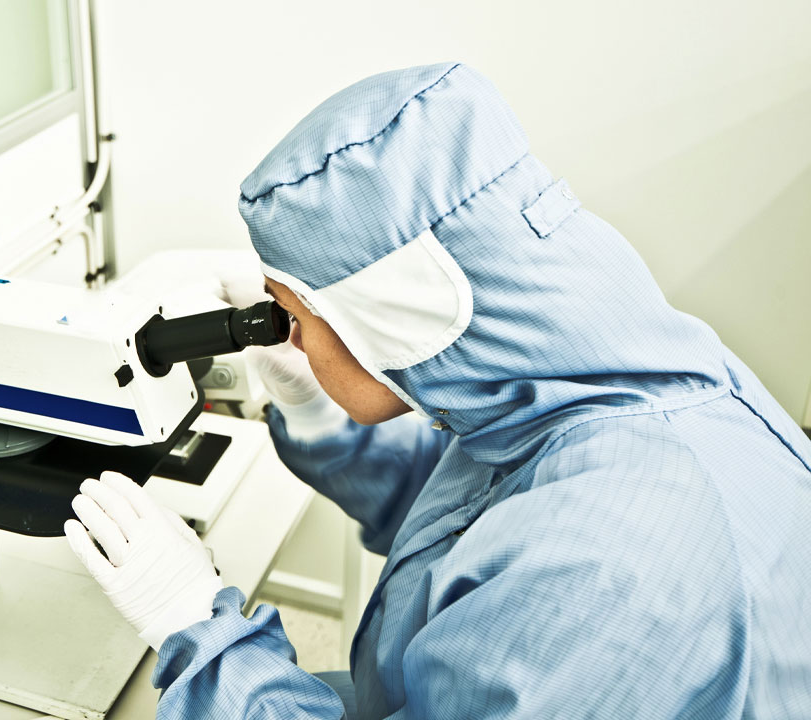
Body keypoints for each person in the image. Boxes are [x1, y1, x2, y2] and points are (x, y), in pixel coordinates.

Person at [64, 62, 811, 718]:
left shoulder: (606, 574)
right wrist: (322, 415)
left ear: (398, 318)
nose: (285, 334)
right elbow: (476, 525)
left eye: (294, 313)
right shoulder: (582, 395)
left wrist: (200, 631)